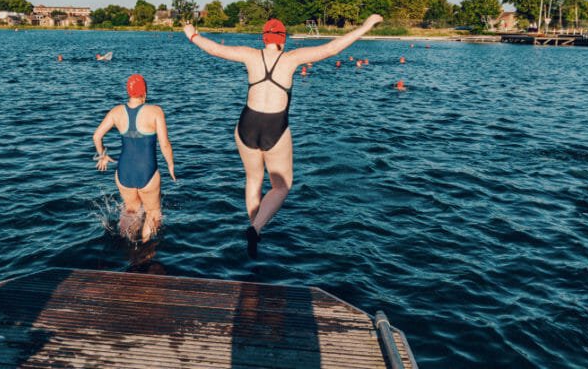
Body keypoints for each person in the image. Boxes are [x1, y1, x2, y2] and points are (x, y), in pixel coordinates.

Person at [183, 15, 383, 258]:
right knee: (281, 185)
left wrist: (192, 34)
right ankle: (256, 228)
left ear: (264, 38)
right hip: (274, 125)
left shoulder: (250, 55)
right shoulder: (291, 58)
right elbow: (332, 48)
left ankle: (254, 225)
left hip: (247, 122)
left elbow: (215, 49)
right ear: (283, 39)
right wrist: (365, 25)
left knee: (253, 179)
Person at [93, 74, 176, 242]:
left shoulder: (116, 112)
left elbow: (96, 136)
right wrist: (171, 166)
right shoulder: (155, 111)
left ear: (128, 92)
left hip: (123, 173)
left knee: (130, 210)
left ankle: (127, 246)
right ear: (144, 93)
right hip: (147, 172)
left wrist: (102, 155)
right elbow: (165, 144)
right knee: (153, 212)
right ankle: (145, 251)